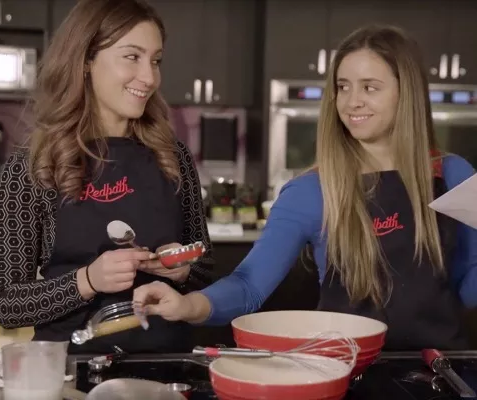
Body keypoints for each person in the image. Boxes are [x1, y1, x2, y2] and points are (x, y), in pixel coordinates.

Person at [133, 25, 477, 351]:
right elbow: (249, 286)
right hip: (348, 372)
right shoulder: (310, 190)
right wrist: (188, 304)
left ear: (408, 93)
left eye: (369, 87)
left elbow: (466, 288)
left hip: (441, 371)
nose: (351, 101)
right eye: (343, 86)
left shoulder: (453, 174)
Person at [0, 0, 214, 355]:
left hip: (167, 368)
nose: (150, 77)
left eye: (155, 60)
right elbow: (5, 304)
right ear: (86, 60)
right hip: (69, 370)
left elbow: (207, 268)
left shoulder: (173, 155)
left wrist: (183, 269)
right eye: (132, 57)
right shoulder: (31, 166)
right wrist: (87, 281)